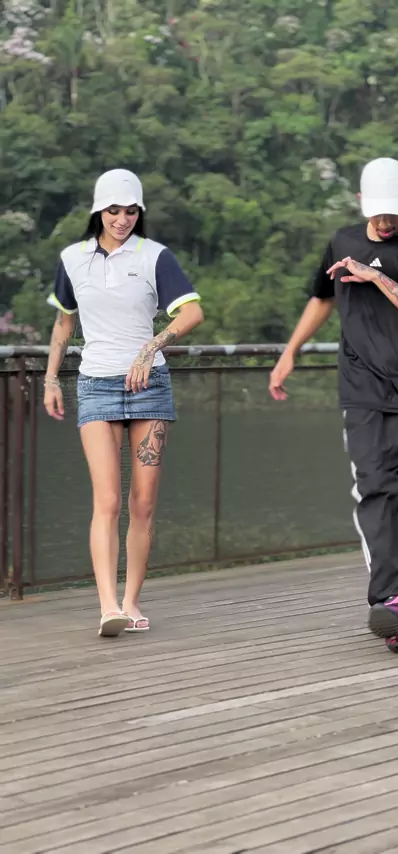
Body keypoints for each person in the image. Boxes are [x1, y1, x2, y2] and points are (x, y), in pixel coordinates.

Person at [269, 157, 398, 654]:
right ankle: (392, 601)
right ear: (361, 202)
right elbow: (322, 298)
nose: (384, 221)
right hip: (365, 391)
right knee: (378, 490)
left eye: (393, 211)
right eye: (376, 212)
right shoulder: (343, 240)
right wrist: (290, 353)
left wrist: (376, 278)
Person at [44, 169, 204, 637]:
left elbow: (193, 312)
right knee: (108, 500)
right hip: (95, 385)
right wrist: (51, 378)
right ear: (99, 211)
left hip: (149, 385)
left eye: (131, 211)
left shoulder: (155, 256)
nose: (122, 219)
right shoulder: (72, 259)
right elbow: (63, 324)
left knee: (144, 502)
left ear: (139, 213)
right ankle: (107, 605)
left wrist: (151, 347)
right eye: (113, 210)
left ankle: (131, 600)